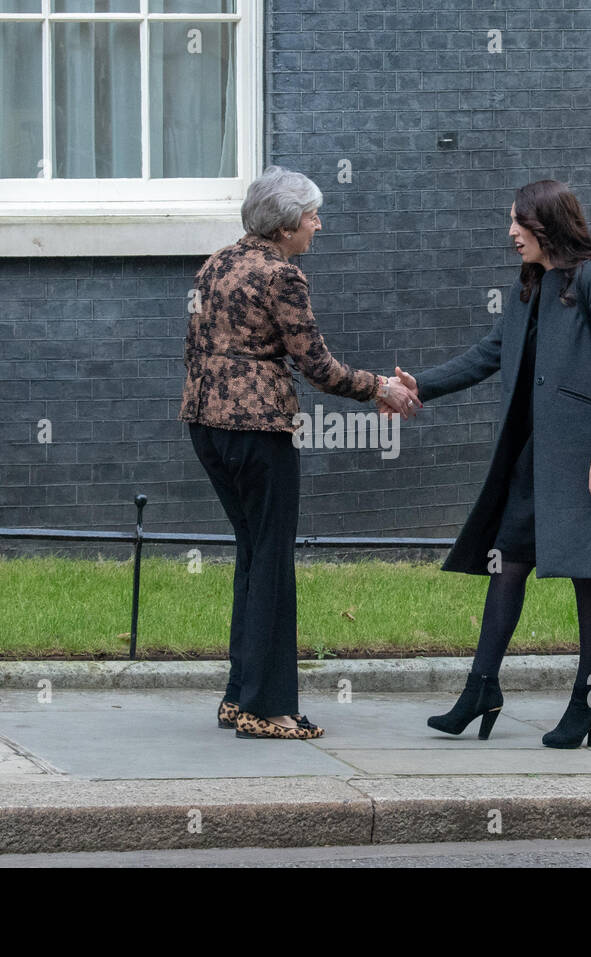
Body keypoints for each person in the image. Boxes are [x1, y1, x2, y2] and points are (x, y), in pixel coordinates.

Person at [392, 180, 591, 748]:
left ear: (546, 226)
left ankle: (589, 701)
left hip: (585, 458)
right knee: (505, 562)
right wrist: (420, 387)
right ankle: (481, 688)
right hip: (533, 458)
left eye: (518, 224)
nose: (510, 233)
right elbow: (491, 352)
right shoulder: (529, 285)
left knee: (588, 572)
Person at [180, 166, 421, 740]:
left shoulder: (216, 263)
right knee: (272, 561)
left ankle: (240, 696)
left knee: (252, 553)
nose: (319, 225)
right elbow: (317, 366)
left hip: (205, 425)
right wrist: (380, 388)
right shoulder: (282, 275)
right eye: (312, 215)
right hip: (259, 431)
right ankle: (268, 709)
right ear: (287, 225)